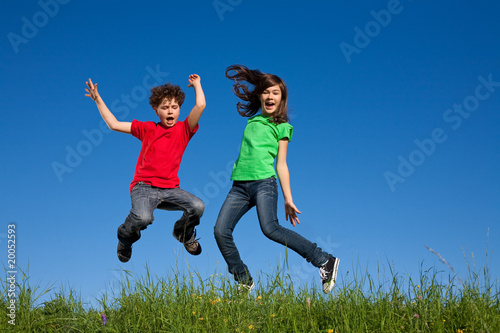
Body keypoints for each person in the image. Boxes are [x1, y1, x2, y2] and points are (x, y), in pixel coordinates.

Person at [214, 65, 339, 294]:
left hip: (264, 184)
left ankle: (324, 260)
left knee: (270, 229)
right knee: (220, 231)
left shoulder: (282, 127)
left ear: (282, 100)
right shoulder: (251, 122)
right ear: (260, 95)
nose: (270, 96)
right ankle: (243, 279)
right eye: (266, 92)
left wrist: (288, 199)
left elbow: (281, 164)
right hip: (239, 186)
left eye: (276, 93)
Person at [85, 74, 206, 263]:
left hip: (170, 189)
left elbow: (200, 106)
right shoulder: (148, 128)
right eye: (165, 107)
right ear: (156, 110)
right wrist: (97, 99)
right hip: (143, 187)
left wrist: (197, 85)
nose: (170, 111)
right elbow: (114, 124)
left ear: (180, 110)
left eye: (174, 107)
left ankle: (183, 233)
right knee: (142, 218)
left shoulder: (184, 130)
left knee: (198, 206)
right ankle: (125, 238)